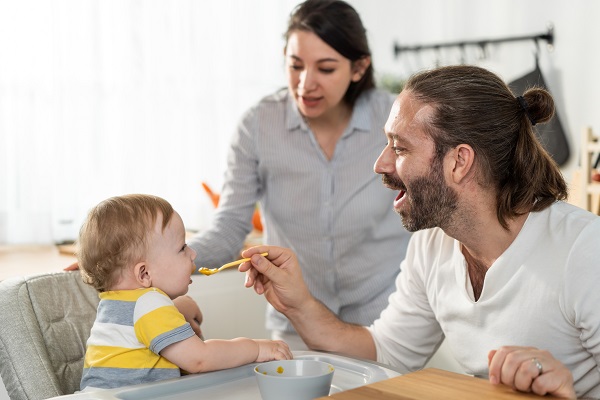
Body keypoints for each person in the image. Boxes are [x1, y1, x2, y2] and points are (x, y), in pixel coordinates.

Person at [239, 65, 600, 399]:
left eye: (399, 147)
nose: (380, 164)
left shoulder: (584, 252)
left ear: (459, 161)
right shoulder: (432, 246)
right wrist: (297, 304)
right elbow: (386, 353)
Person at [187, 0, 412, 350]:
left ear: (358, 67)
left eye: (325, 68)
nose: (305, 84)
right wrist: (155, 260)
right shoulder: (259, 125)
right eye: (295, 65)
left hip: (383, 321)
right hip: (297, 326)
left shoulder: (394, 119)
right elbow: (229, 226)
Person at [77, 194, 291, 391]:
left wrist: (179, 308)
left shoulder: (114, 305)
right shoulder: (149, 303)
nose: (193, 253)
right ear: (144, 273)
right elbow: (200, 359)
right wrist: (256, 348)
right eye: (182, 248)